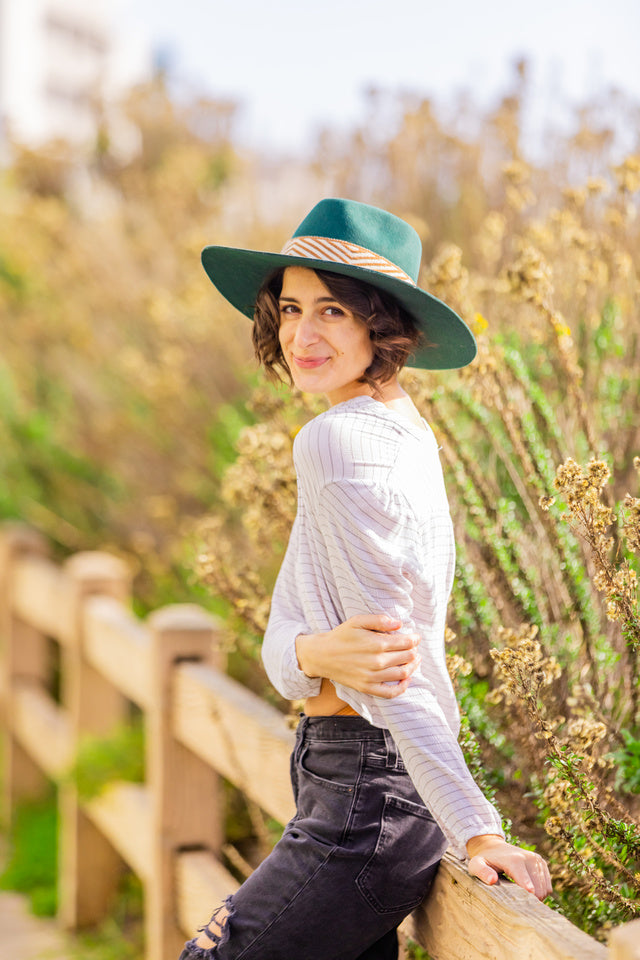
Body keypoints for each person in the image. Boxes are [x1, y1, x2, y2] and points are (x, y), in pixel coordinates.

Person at [181, 198, 552, 960]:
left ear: (382, 325)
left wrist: (478, 826)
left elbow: (394, 668)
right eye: (289, 309)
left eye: (333, 312)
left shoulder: (340, 444)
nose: (301, 336)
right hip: (356, 786)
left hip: (364, 798)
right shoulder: (400, 431)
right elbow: (285, 643)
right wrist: (315, 654)